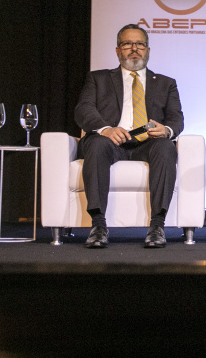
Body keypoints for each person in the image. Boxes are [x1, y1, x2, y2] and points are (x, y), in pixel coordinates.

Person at [74, 23, 184, 248]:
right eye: (127, 44)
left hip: (148, 142)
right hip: (111, 141)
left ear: (148, 50)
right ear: (117, 50)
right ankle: (98, 225)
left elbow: (176, 118)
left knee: (166, 146)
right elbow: (83, 109)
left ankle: (157, 226)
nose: (134, 49)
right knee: (95, 144)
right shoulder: (98, 78)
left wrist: (166, 130)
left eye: (140, 44)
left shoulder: (166, 83)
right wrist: (106, 129)